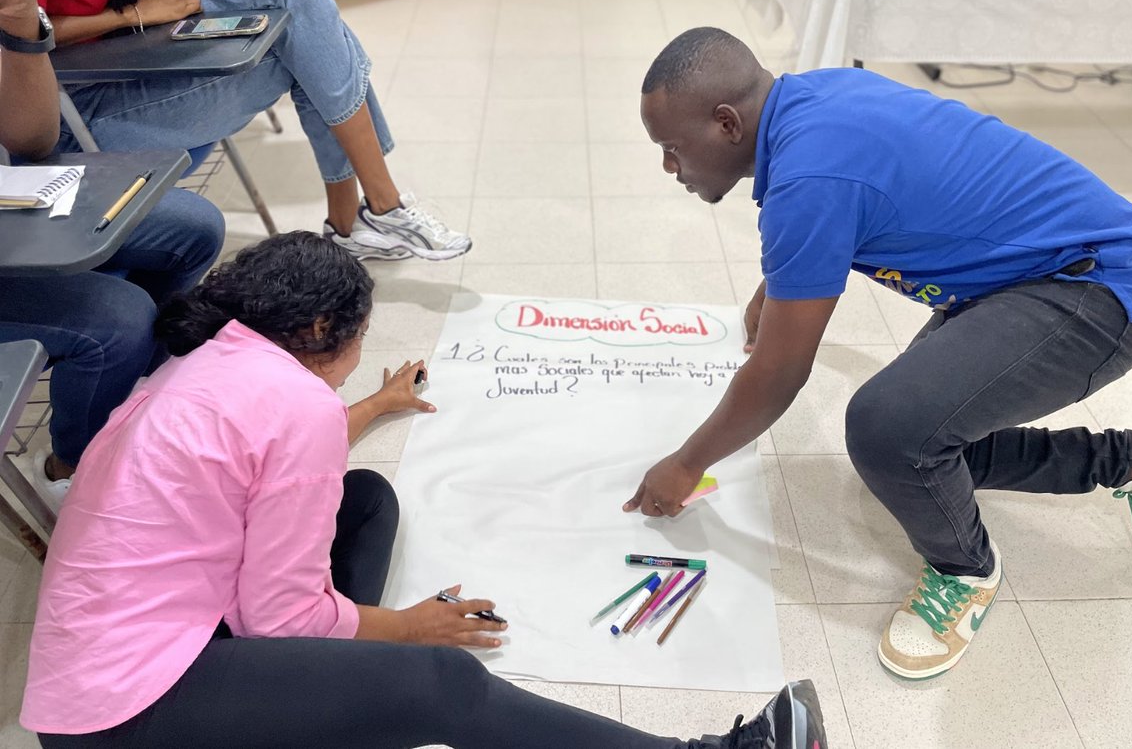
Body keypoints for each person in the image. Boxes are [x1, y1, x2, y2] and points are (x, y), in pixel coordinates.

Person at [21, 230, 828, 749]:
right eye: (361, 337)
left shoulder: (216, 360)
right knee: (439, 685)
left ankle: (319, 705)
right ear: (316, 336)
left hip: (153, 634)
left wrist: (376, 403)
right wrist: (405, 628)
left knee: (367, 496)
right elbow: (280, 615)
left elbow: (268, 458)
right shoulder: (293, 401)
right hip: (123, 708)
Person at [624, 27, 1132, 681]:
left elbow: (780, 371)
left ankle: (965, 572)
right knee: (924, 448)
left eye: (671, 148)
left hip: (1100, 289)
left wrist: (686, 464)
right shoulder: (814, 99)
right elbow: (847, 194)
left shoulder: (810, 179)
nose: (671, 168)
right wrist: (782, 282)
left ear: (726, 123)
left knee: (889, 430)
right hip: (1032, 273)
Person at [0, 0, 471, 262]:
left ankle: (362, 221)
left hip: (123, 51)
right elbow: (13, 36)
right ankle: (368, 217)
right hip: (74, 116)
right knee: (311, 45)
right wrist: (136, 13)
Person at [0, 0, 223, 505]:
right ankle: (68, 466)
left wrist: (23, 19)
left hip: (10, 195)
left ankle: (129, 400)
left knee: (194, 229)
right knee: (115, 317)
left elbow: (30, 140)